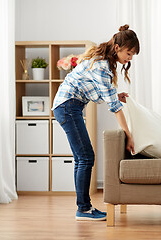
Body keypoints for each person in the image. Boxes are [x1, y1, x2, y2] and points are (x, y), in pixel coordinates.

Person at [52, 24, 140, 221]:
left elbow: (99, 93)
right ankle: (83, 209)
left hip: (68, 106)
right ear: (117, 48)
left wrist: (115, 95)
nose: (130, 58)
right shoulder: (101, 66)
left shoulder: (103, 62)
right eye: (129, 52)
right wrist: (128, 135)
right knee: (86, 157)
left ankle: (83, 208)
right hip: (68, 106)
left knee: (82, 158)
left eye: (133, 54)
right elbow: (114, 108)